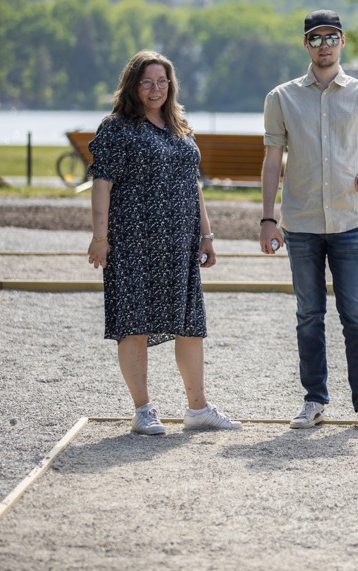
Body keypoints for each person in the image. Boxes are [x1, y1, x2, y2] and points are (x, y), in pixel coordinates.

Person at [87, 50, 241, 435]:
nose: (156, 89)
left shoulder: (180, 126)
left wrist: (207, 235)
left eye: (162, 81)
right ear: (133, 85)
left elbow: (194, 185)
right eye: (147, 81)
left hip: (180, 241)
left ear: (170, 85)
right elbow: (101, 183)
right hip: (133, 240)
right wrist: (100, 237)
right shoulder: (117, 127)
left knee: (190, 325)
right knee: (133, 322)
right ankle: (143, 410)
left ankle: (198, 408)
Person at [258, 9, 358, 432]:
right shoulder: (281, 98)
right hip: (300, 223)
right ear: (306, 45)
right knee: (309, 315)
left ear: (343, 41)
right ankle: (314, 399)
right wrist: (267, 218)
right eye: (315, 39)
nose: (324, 45)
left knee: (356, 314)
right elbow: (272, 161)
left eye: (330, 37)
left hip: (351, 221)